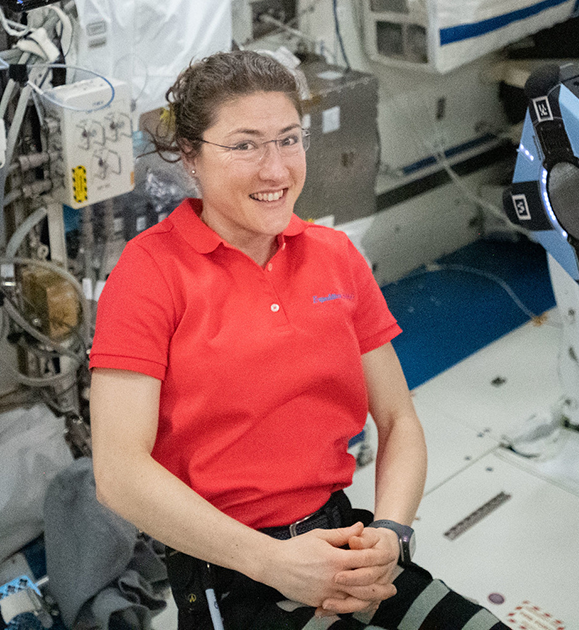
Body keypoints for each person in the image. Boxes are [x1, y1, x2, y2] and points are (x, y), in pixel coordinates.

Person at [89, 50, 509, 630]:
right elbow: (118, 473)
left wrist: (391, 533)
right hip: (229, 568)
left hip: (343, 542)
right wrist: (273, 562)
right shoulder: (149, 274)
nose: (276, 170)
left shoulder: (334, 257)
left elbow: (398, 419)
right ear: (191, 156)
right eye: (244, 145)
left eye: (289, 139)